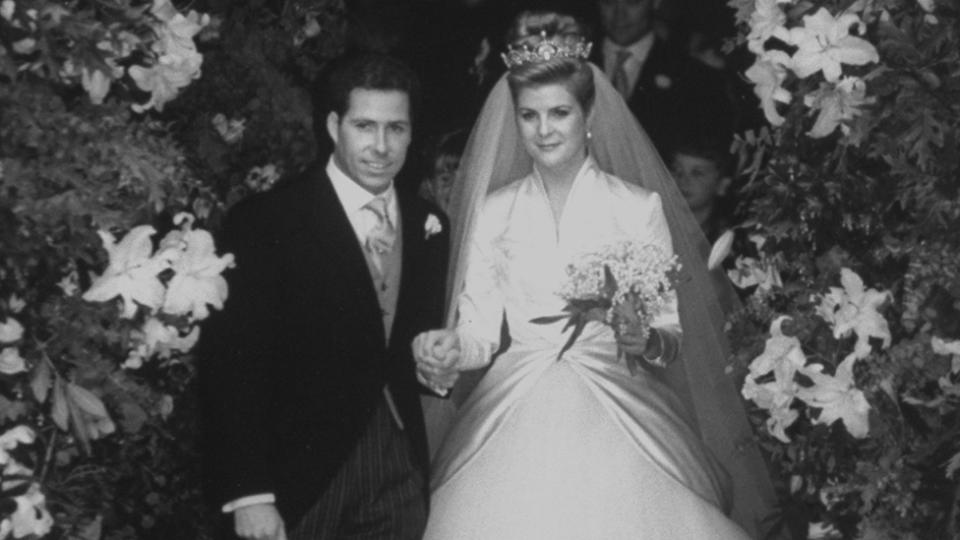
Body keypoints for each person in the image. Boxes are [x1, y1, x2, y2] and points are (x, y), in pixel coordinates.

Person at [413, 12, 779, 539]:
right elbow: (478, 335)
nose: (543, 130)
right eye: (529, 115)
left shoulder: (636, 207)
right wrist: (449, 348)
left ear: (587, 115)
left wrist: (641, 336)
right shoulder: (495, 210)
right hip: (513, 406)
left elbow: (668, 339)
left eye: (559, 112)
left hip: (617, 405)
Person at [199, 53, 450, 540]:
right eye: (365, 126)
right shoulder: (266, 221)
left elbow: (404, 347)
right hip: (299, 475)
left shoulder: (428, 225)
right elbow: (232, 365)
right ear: (334, 125)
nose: (381, 146)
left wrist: (433, 369)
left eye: (396, 128)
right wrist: (250, 493)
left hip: (395, 470)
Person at [592, 0, 734, 156]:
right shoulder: (575, 62)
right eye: (608, 3)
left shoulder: (695, 76)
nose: (619, 15)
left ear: (655, 3)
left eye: (632, 3)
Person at [669, 133, 735, 244]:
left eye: (697, 173)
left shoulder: (727, 242)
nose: (682, 180)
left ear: (721, 186)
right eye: (677, 170)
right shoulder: (649, 226)